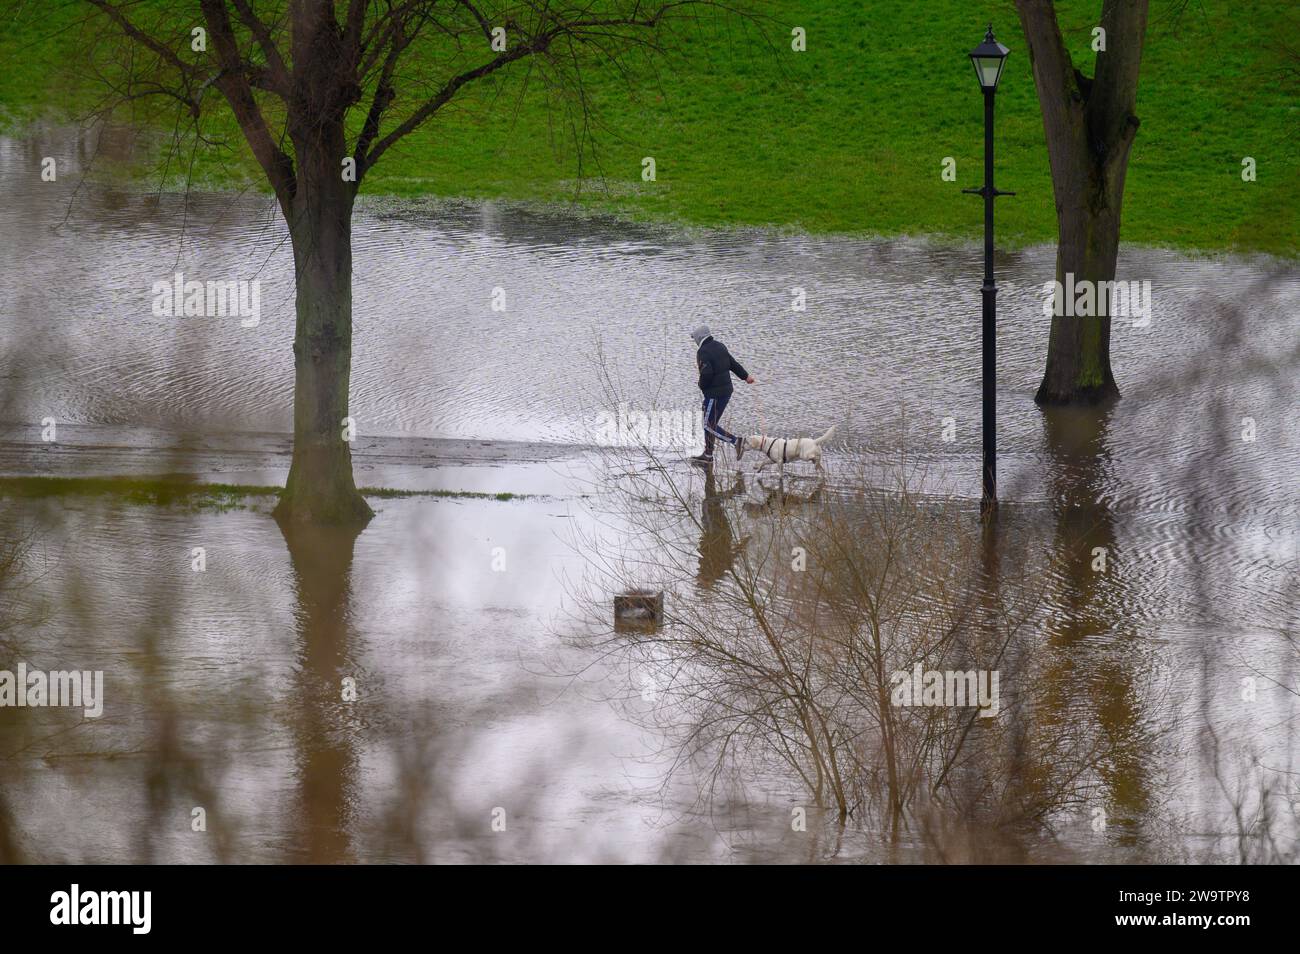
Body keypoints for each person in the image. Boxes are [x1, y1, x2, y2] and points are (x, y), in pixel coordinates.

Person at [690, 324, 755, 466]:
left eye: (694, 338)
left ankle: (737, 442)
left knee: (708, 425)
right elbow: (733, 364)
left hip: (714, 394)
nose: (694, 341)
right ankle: (708, 455)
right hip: (726, 392)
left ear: (699, 338)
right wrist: (746, 377)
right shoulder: (720, 346)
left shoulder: (703, 352)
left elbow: (706, 374)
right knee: (711, 423)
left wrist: (701, 385)